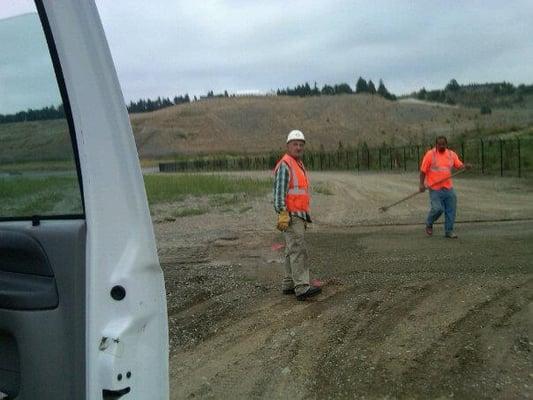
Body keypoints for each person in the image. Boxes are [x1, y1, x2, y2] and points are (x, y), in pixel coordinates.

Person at [273, 130, 322, 301]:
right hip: (291, 216)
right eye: (295, 144)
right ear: (288, 146)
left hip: (298, 215)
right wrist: (283, 213)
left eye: (301, 144)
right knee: (298, 251)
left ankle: (289, 284)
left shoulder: (297, 163)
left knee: (291, 250)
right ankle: (301, 287)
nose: (299, 147)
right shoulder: (286, 164)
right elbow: (279, 193)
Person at [419, 135, 471, 238]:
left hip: (448, 188)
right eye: (439, 144)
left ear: (446, 144)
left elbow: (459, 165)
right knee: (437, 209)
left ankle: (449, 231)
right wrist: (421, 184)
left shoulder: (451, 154)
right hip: (434, 189)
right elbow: (423, 171)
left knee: (451, 209)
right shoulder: (430, 155)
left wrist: (465, 166)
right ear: (436, 145)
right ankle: (429, 223)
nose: (441, 146)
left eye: (443, 144)